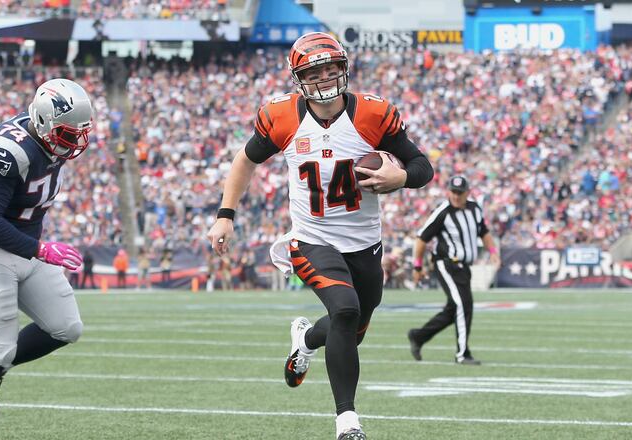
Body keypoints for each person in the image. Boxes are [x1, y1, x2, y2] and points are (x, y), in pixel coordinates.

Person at [206, 32, 433, 440]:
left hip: (365, 243)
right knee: (345, 310)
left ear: (344, 68)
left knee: (354, 324)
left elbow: (422, 166)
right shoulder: (281, 116)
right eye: (315, 71)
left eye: (332, 68)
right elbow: (245, 160)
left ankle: (306, 340)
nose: (326, 78)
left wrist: (399, 176)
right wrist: (225, 215)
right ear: (298, 77)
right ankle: (347, 422)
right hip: (312, 238)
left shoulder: (373, 113)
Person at [0, 78, 94, 440]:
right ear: (42, 123)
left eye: (79, 132)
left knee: (66, 327)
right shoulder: (9, 152)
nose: (75, 142)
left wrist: (35, 247)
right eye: (67, 133)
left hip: (25, 245)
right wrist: (42, 249)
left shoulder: (48, 141)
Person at [407, 175, 500, 366]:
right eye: (453, 192)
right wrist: (417, 266)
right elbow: (421, 239)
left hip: (464, 267)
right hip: (446, 263)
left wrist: (493, 252)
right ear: (448, 191)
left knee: (454, 308)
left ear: (467, 192)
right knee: (463, 305)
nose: (456, 196)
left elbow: (484, 232)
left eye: (460, 192)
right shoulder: (443, 212)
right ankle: (462, 353)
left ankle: (418, 336)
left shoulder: (475, 209)